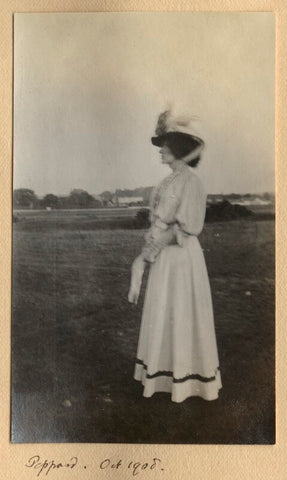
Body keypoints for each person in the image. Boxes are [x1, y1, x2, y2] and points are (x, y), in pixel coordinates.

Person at [128, 110, 222, 403]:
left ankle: (187, 380)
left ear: (180, 149)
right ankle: (161, 374)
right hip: (164, 257)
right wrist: (146, 254)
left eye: (167, 145)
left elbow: (188, 227)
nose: (162, 150)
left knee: (181, 311)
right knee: (163, 312)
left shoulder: (191, 182)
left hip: (181, 258)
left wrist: (150, 252)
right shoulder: (165, 182)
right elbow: (158, 223)